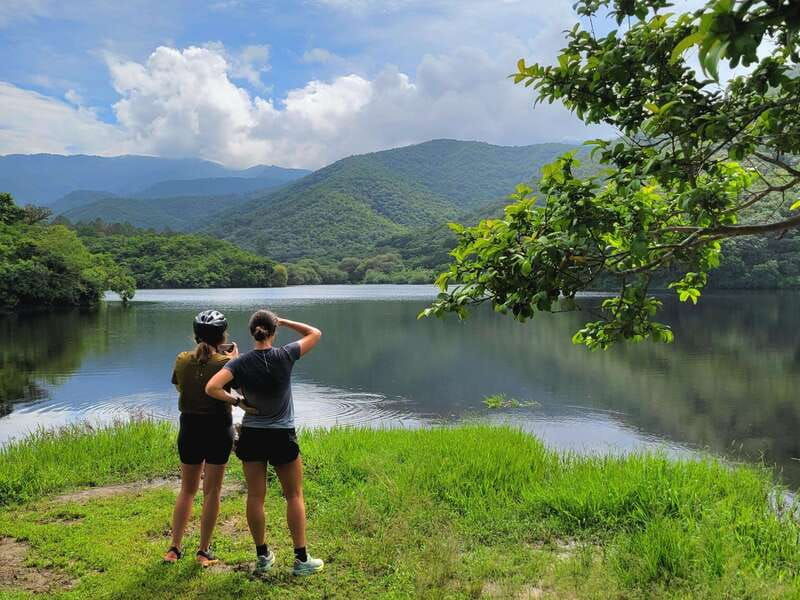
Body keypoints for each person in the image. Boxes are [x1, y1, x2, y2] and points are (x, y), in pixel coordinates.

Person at [205, 309, 324, 576]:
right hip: (282, 435)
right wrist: (284, 321)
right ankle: (301, 559)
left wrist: (238, 402)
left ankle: (262, 556)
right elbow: (315, 333)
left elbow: (212, 387)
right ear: (273, 331)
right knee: (293, 495)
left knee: (256, 496)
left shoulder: (239, 363)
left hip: (253, 435)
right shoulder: (286, 354)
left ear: (252, 332)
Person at [163, 310, 242, 567]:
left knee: (187, 490)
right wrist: (235, 360)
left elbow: (180, 387)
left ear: (196, 336)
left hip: (189, 427)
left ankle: (174, 548)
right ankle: (203, 551)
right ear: (223, 336)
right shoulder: (226, 363)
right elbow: (240, 389)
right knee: (212, 491)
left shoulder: (182, 359)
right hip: (218, 428)